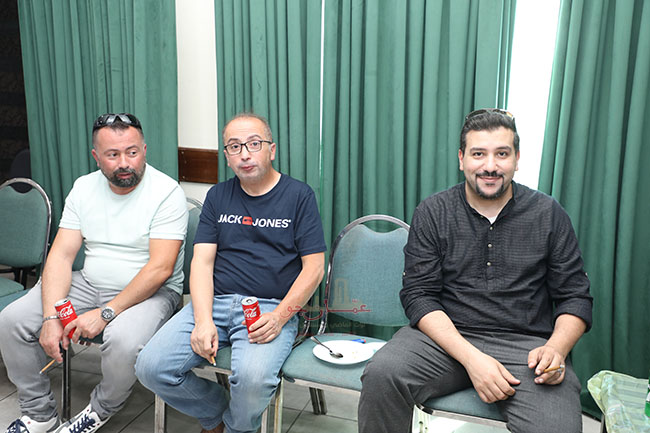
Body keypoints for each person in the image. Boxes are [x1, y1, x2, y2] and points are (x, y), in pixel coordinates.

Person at [358, 108, 593, 433]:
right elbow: (419, 295)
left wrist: (556, 349)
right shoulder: (433, 211)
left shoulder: (548, 213)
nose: (490, 166)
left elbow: (575, 297)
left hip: (525, 348)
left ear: (517, 159)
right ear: (461, 158)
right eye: (478, 154)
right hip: (444, 340)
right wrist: (472, 359)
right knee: (382, 374)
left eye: (502, 154)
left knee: (557, 428)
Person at [135, 112, 326, 433]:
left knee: (253, 381)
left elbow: (315, 268)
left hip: (268, 308)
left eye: (254, 144)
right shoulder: (218, 196)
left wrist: (279, 317)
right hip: (215, 302)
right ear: (227, 156)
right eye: (235, 147)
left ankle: (239, 427)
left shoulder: (299, 196)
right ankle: (218, 416)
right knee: (150, 368)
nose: (245, 154)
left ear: (272, 150)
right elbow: (202, 262)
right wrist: (202, 320)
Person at [0, 113, 188, 433]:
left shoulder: (167, 192)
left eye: (132, 152)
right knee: (12, 321)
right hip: (88, 283)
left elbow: (160, 268)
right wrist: (50, 316)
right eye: (112, 154)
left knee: (122, 340)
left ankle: (101, 408)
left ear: (144, 150)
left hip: (152, 292)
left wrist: (105, 313)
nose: (124, 163)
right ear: (96, 156)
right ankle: (39, 414)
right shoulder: (84, 187)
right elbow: (61, 256)